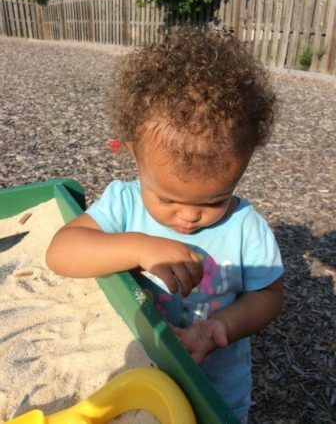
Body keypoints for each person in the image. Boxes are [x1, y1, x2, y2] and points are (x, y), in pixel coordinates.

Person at [46, 27, 284, 423]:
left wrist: (218, 328)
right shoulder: (124, 203)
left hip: (214, 385)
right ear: (135, 157)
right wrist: (139, 246)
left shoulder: (246, 226)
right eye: (168, 198)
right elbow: (61, 253)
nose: (189, 216)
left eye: (214, 200)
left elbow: (269, 296)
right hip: (137, 376)